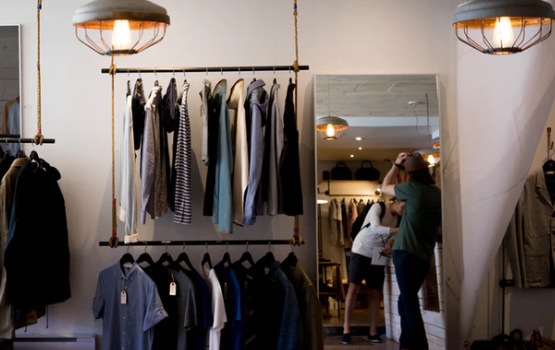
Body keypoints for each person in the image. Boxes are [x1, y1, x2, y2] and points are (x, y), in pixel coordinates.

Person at [381, 152, 442, 350]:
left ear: (409, 174)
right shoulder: (437, 192)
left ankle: (420, 346)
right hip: (424, 256)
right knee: (404, 300)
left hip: (405, 252)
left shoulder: (410, 189)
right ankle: (406, 344)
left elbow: (384, 187)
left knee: (409, 303)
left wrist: (396, 165)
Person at [342, 197, 406, 345]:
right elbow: (376, 227)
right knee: (354, 288)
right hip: (361, 249)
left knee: (376, 293)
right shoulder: (378, 207)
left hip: (379, 252)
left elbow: (395, 235)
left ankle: (373, 331)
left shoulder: (399, 218)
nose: (404, 209)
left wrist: (391, 239)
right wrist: (397, 230)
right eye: (403, 205)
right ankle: (346, 328)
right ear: (395, 201)